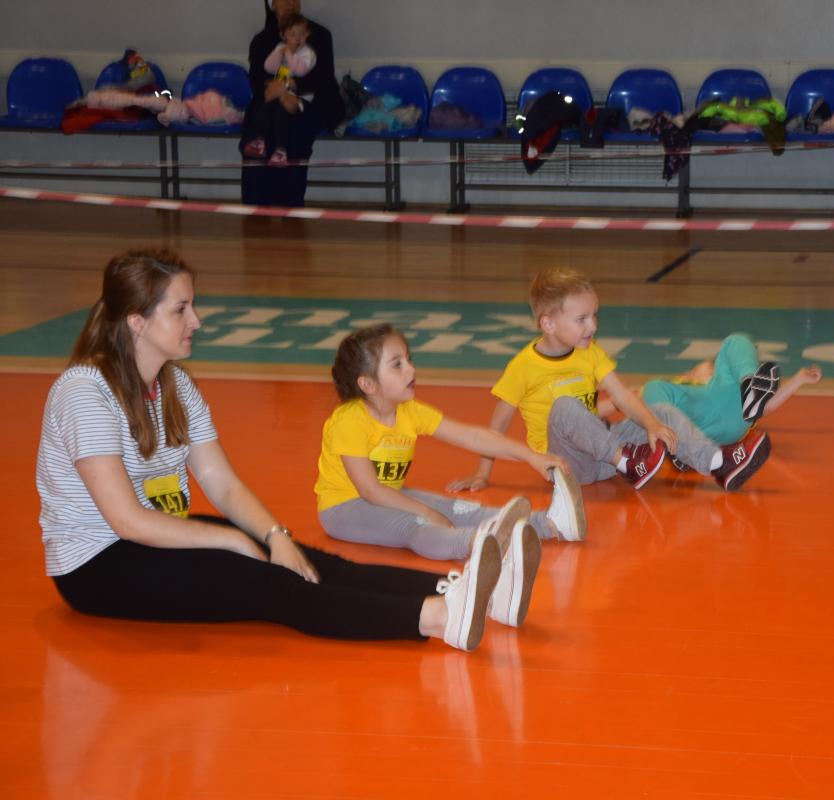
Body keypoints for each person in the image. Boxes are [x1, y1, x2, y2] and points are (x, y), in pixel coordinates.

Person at [35, 249, 536, 651]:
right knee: (268, 583)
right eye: (181, 309)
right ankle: (436, 618)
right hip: (98, 564)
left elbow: (222, 484)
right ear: (137, 321)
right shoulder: (85, 392)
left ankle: (469, 592)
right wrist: (231, 542)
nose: (197, 320)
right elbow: (127, 522)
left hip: (156, 535)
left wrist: (274, 535)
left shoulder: (176, 386)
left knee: (306, 559)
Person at [449, 267, 772, 494]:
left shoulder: (590, 353)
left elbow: (622, 396)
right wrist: (482, 472)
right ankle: (628, 464)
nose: (592, 326)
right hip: (566, 465)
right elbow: (498, 425)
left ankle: (718, 463)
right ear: (548, 323)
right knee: (564, 407)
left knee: (659, 410)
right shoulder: (522, 366)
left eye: (594, 316)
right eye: (581, 319)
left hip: (606, 453)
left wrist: (651, 424)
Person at [316, 323, 587, 564]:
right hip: (345, 509)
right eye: (397, 365)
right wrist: (427, 512)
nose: (411, 369)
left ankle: (550, 524)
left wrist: (531, 456)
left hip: (387, 494)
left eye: (409, 360)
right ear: (368, 384)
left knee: (458, 508)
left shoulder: (410, 411)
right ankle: (476, 544)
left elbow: (474, 437)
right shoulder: (349, 421)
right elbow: (370, 490)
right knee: (417, 523)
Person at [598, 332, 823, 450]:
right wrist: (597, 422)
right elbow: (621, 403)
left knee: (736, 341)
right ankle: (682, 443)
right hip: (701, 426)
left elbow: (765, 407)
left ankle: (749, 382)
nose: (708, 366)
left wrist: (799, 379)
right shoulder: (673, 386)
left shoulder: (725, 384)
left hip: (732, 415)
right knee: (654, 387)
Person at [240, 0, 343, 207]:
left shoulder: (320, 35)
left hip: (311, 99)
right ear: (273, 5)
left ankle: (290, 206)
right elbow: (257, 79)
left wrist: (292, 89)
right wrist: (280, 94)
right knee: (257, 125)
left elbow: (323, 77)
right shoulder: (261, 40)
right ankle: (256, 207)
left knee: (295, 130)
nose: (290, 2)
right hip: (271, 97)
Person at [242, 13, 317, 167]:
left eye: (302, 34)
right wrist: (280, 52)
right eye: (292, 34)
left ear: (307, 34)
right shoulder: (280, 48)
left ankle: (281, 152)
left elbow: (299, 70)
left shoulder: (308, 53)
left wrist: (289, 53)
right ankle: (260, 142)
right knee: (265, 108)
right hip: (280, 93)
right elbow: (269, 67)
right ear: (283, 35)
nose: (297, 39)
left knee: (281, 114)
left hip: (299, 98)